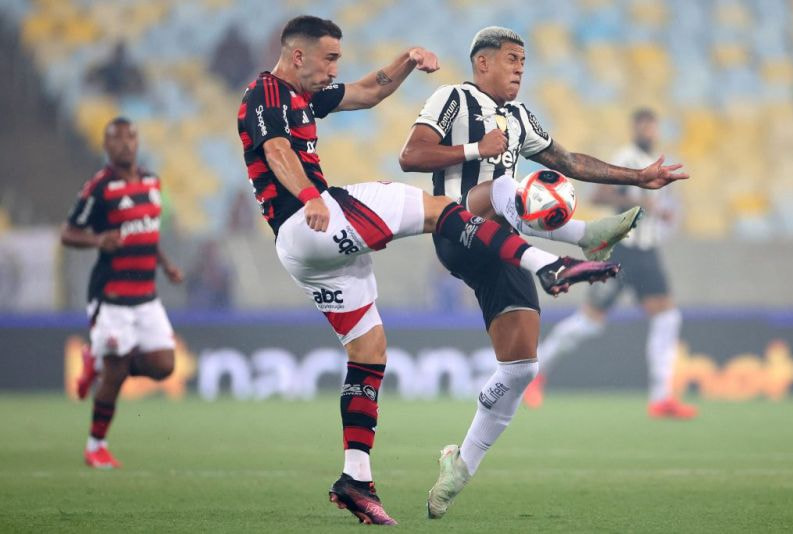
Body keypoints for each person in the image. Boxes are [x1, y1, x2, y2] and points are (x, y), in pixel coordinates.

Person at [237, 16, 677, 526]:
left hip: (317, 253)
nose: (335, 67)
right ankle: (563, 253)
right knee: (438, 205)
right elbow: (279, 150)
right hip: (330, 217)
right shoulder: (266, 92)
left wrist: (640, 178)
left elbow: (365, 92)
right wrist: (313, 196)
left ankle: (361, 478)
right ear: (297, 56)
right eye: (329, 57)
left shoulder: (308, 98)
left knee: (379, 353)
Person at [398, 27, 689, 519]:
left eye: (524, 62)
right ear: (483, 62)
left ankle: (458, 467)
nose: (519, 69)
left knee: (520, 370)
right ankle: (581, 239)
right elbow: (411, 155)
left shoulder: (518, 117)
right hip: (455, 224)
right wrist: (475, 152)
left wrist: (639, 178)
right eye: (512, 59)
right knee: (505, 186)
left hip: (503, 247)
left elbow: (569, 161)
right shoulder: (452, 99)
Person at [528, 108, 697, 419]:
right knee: (589, 322)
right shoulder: (627, 157)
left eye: (652, 125)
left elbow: (651, 206)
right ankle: (535, 374)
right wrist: (636, 202)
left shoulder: (653, 161)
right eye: (643, 125)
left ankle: (661, 397)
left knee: (668, 317)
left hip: (647, 252)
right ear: (635, 128)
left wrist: (658, 213)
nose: (648, 130)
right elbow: (599, 194)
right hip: (624, 250)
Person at [61, 117, 184, 469]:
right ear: (106, 146)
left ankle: (97, 362)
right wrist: (99, 239)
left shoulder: (151, 182)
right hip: (112, 295)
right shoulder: (98, 188)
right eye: (117, 139)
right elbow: (68, 233)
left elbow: (146, 232)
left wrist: (165, 264)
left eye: (131, 137)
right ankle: (95, 446)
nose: (126, 144)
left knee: (164, 365)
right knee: (115, 373)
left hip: (146, 294)